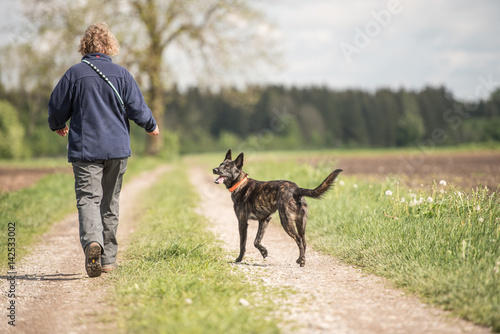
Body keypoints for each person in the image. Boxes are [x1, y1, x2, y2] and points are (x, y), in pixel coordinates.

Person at [48, 22, 159, 278]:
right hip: (117, 150)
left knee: (88, 199)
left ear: (84, 46)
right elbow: (138, 108)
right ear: (110, 46)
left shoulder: (73, 74)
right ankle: (107, 259)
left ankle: (92, 243)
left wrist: (57, 125)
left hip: (86, 150)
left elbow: (56, 107)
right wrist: (151, 125)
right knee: (110, 203)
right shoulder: (122, 74)